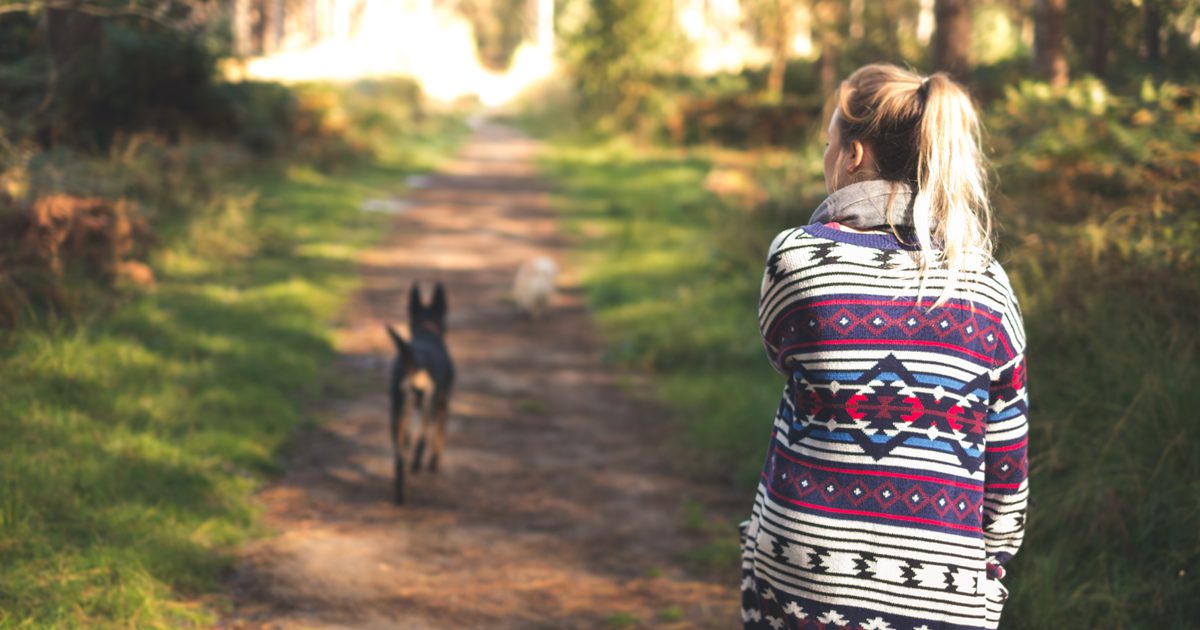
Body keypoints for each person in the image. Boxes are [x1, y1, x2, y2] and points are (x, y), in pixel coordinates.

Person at [740, 63, 1029, 630]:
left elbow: (783, 352)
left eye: (829, 144)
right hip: (944, 592)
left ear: (853, 154)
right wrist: (985, 572)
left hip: (804, 577)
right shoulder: (986, 285)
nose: (825, 157)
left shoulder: (797, 259)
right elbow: (1007, 471)